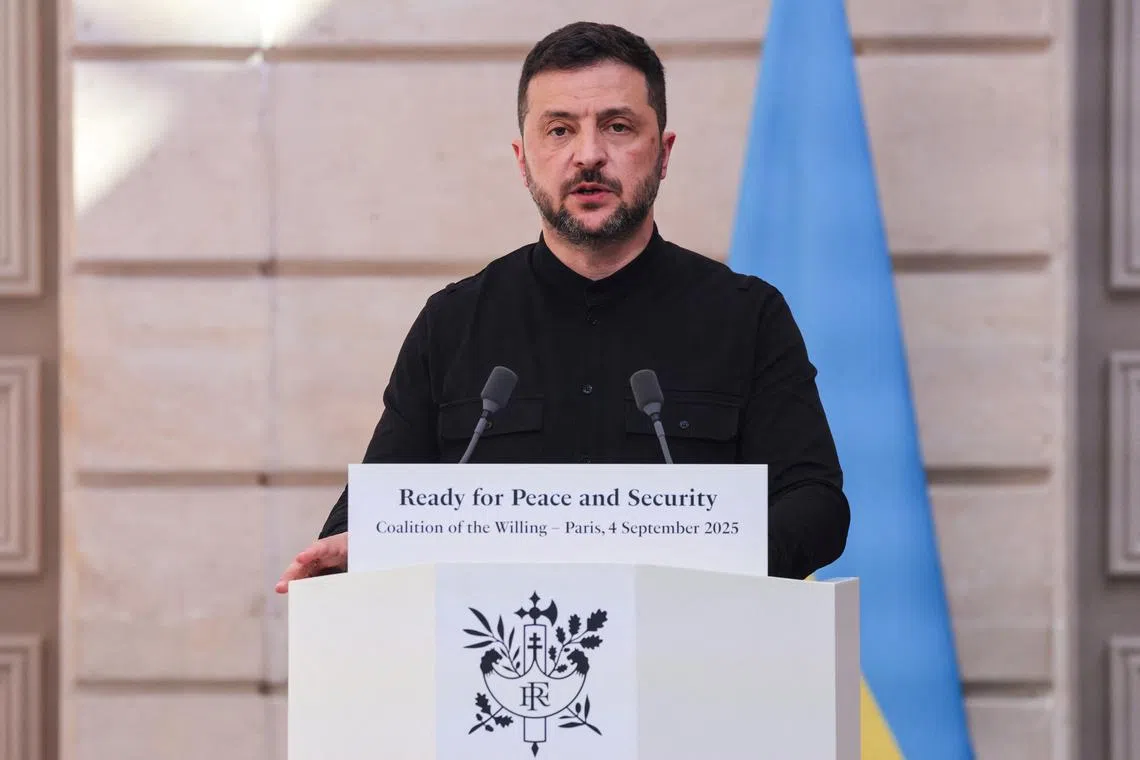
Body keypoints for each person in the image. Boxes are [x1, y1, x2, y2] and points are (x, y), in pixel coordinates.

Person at [275, 21, 849, 593]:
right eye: (559, 130)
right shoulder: (453, 324)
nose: (589, 155)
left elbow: (817, 509)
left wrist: (698, 560)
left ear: (664, 152)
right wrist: (360, 547)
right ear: (524, 160)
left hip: (692, 661)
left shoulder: (746, 317)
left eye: (618, 126)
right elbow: (371, 515)